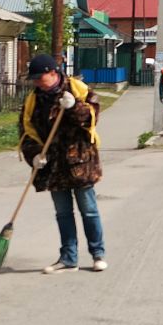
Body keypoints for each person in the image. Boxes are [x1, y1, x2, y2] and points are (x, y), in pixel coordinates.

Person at [18, 53, 106, 273]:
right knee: (63, 213)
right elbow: (26, 131)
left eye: (40, 77)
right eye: (34, 78)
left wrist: (74, 105)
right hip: (53, 166)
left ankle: (97, 254)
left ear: (53, 72)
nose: (37, 82)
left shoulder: (77, 89)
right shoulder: (33, 100)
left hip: (80, 161)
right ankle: (68, 258)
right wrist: (35, 155)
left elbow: (91, 116)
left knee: (89, 210)